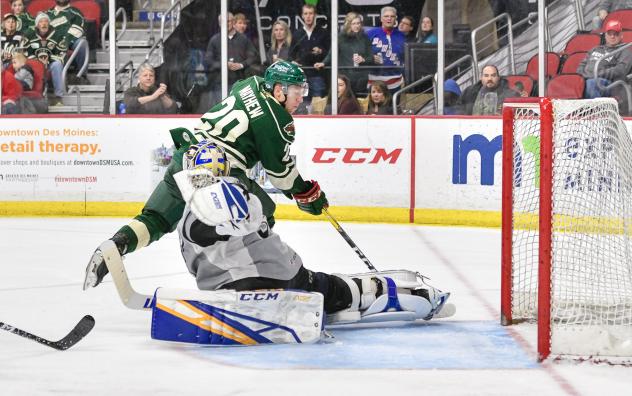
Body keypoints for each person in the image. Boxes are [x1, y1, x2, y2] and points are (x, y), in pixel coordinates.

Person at [83, 61, 450, 326]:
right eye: (295, 93)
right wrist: (308, 195)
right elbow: (282, 174)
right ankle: (262, 272)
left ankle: (115, 247)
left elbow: (246, 113)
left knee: (157, 218)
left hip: (189, 155)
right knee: (265, 208)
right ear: (278, 90)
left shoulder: (249, 85)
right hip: (220, 172)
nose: (299, 100)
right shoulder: (277, 119)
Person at [205, 13, 259, 106]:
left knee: (240, 109)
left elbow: (253, 57)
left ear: (233, 22)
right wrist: (223, 64)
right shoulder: (214, 40)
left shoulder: (244, 39)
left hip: (240, 82)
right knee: (223, 110)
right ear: (219, 24)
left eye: (228, 21)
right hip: (220, 84)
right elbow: (208, 60)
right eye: (222, 22)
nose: (225, 24)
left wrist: (241, 65)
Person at [314, 12, 373, 95]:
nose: (357, 26)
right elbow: (332, 53)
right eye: (354, 23)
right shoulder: (341, 38)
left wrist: (363, 59)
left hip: (361, 79)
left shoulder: (364, 37)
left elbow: (371, 57)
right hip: (345, 79)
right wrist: (323, 63)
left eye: (358, 23)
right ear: (348, 25)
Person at [577, 19, 632, 99]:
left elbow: (620, 70)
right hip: (587, 78)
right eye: (610, 33)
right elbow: (582, 65)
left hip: (610, 84)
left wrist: (596, 75)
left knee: (592, 84)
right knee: (570, 84)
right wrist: (582, 76)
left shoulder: (624, 51)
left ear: (621, 35)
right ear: (605, 35)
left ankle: (594, 110)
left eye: (616, 34)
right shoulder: (595, 49)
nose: (612, 36)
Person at [21, 12, 67, 106]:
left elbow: (62, 53)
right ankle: (34, 98)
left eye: (46, 21)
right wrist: (38, 62)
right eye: (41, 22)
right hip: (35, 65)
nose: (44, 24)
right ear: (37, 25)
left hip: (51, 64)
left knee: (57, 65)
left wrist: (48, 60)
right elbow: (25, 53)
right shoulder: (29, 34)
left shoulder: (58, 35)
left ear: (49, 23)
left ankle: (59, 97)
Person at [289, 3, 330, 99]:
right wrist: (293, 62)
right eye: (306, 13)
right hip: (301, 75)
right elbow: (290, 54)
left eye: (311, 13)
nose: (308, 16)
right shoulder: (297, 34)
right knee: (303, 105)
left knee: (318, 105)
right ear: (302, 16)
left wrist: (321, 51)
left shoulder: (323, 32)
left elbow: (330, 53)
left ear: (315, 15)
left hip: (318, 75)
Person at [367, 6, 406, 93]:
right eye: (386, 16)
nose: (389, 19)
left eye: (392, 16)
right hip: (375, 81)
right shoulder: (370, 34)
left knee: (395, 106)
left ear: (395, 19)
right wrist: (370, 57)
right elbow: (360, 53)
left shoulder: (401, 36)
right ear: (381, 18)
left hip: (396, 82)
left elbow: (405, 58)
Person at [46, 0, 87, 74]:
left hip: (69, 41)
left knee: (81, 43)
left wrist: (64, 42)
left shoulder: (75, 12)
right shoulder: (47, 13)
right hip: (50, 42)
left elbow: (77, 31)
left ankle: (81, 75)